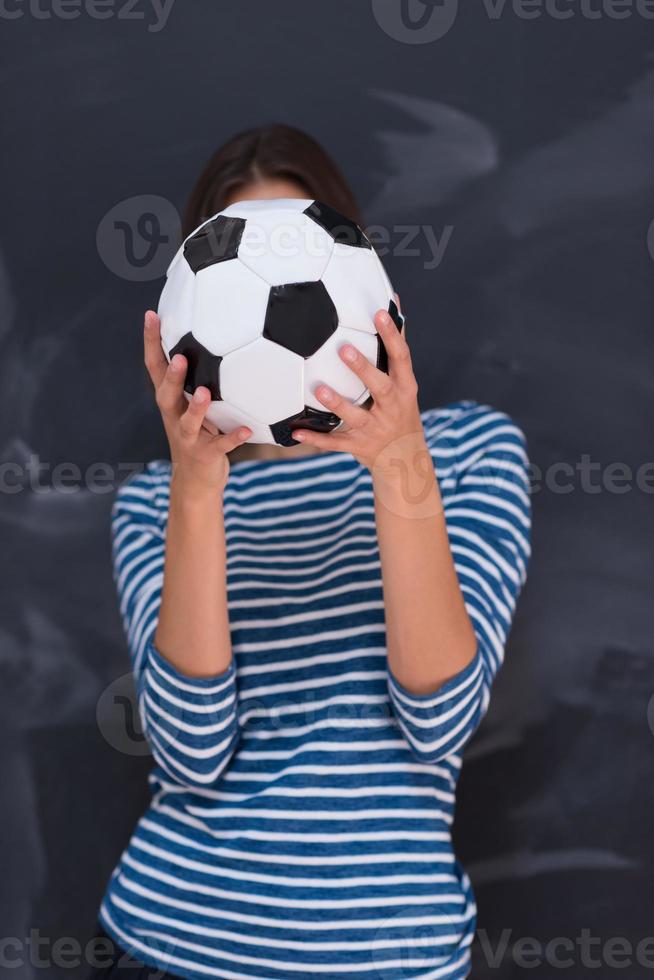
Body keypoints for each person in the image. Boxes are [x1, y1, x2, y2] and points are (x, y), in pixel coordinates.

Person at [89, 124, 531, 979]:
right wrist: (197, 490)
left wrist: (398, 460)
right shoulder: (155, 502)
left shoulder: (471, 450)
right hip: (178, 947)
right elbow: (191, 749)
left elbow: (439, 723)